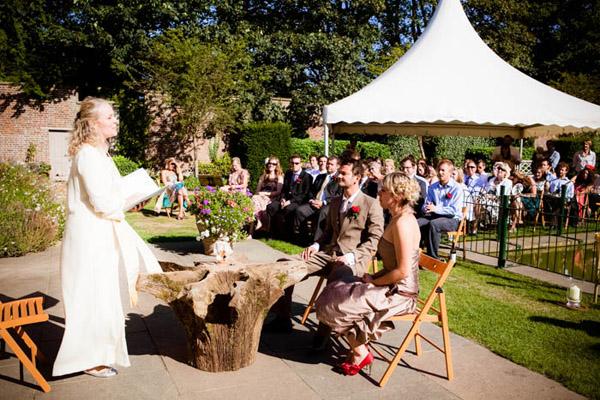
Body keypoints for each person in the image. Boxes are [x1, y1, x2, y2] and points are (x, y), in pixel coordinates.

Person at [53, 97, 162, 378]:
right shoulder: (88, 155)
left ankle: (97, 353)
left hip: (100, 234)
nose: (116, 120)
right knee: (90, 297)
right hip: (89, 238)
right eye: (110, 117)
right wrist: (128, 200)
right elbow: (102, 201)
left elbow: (111, 193)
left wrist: (133, 197)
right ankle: (86, 358)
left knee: (101, 296)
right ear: (92, 124)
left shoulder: (100, 154)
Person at [314, 172, 421, 376]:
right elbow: (393, 265)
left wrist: (374, 281)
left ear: (396, 196)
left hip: (400, 294)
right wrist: (372, 279)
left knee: (335, 303)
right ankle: (359, 347)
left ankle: (360, 352)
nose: (378, 193)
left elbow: (402, 271)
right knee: (336, 290)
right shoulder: (396, 218)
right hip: (389, 285)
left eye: (383, 190)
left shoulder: (403, 223)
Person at [265, 159, 384, 335]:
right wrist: (315, 245)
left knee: (336, 277)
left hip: (351, 260)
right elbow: (327, 232)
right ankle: (282, 318)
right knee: (284, 264)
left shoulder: (371, 203)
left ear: (357, 177)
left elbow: (374, 239)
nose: (338, 176)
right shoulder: (335, 202)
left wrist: (350, 257)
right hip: (327, 253)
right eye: (339, 173)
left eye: (344, 174)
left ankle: (322, 338)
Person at [418, 159, 464, 259]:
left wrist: (436, 209)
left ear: (450, 172)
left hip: (452, 219)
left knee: (434, 224)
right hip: (434, 216)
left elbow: (454, 210)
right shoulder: (433, 187)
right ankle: (416, 254)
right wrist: (425, 208)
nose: (440, 172)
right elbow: (426, 203)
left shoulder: (456, 188)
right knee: (417, 223)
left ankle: (432, 257)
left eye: (443, 170)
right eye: (439, 170)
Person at [294, 156, 342, 241]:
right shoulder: (321, 176)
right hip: (314, 202)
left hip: (328, 205)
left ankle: (316, 242)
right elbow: (311, 190)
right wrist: (312, 200)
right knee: (300, 210)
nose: (328, 166)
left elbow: (338, 195)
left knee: (322, 213)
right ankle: (303, 239)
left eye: (331, 164)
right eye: (328, 164)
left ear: (337, 166)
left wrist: (323, 202)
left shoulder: (339, 179)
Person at [267, 154, 313, 239]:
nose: (294, 165)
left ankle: (288, 234)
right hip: (286, 199)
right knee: (271, 206)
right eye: (292, 163)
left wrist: (290, 201)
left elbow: (304, 194)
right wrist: (283, 199)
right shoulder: (288, 173)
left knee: (288, 209)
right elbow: (284, 189)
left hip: (298, 201)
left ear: (301, 164)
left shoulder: (307, 176)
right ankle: (272, 233)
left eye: (296, 163)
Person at [250, 156, 284, 234]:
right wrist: (258, 195)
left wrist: (265, 194)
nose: (271, 165)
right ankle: (256, 225)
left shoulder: (279, 177)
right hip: (260, 197)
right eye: (269, 163)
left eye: (273, 164)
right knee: (254, 201)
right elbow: (257, 190)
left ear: (277, 165)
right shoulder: (263, 176)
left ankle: (253, 230)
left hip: (272, 198)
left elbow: (278, 192)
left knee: (255, 201)